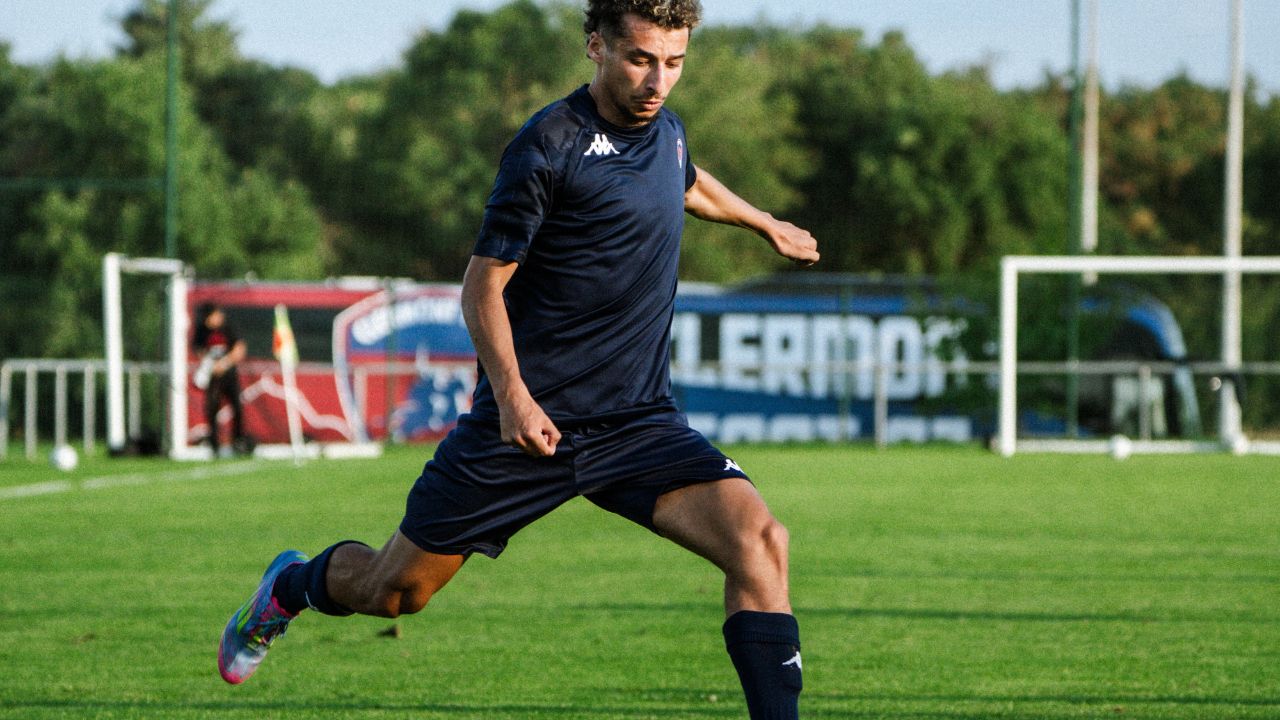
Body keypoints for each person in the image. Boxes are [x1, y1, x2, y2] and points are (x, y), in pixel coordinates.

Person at [218, 0, 819, 716]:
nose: (657, 81)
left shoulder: (668, 132)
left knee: (760, 541)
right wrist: (513, 398)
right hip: (529, 425)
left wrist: (762, 222)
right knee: (393, 592)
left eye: (674, 63)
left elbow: (686, 178)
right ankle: (289, 588)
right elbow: (482, 288)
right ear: (596, 47)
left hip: (638, 423)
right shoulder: (549, 145)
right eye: (640, 59)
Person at [193, 302, 247, 457]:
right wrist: (209, 365)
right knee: (211, 408)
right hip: (212, 376)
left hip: (229, 375)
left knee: (236, 407)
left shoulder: (228, 327)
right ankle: (214, 445)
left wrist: (224, 364)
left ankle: (238, 441)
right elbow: (198, 349)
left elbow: (239, 349)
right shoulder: (202, 330)